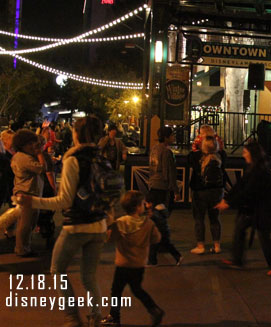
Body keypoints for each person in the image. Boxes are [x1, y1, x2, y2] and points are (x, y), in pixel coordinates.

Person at [15, 116, 109, 327]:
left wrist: (32, 201)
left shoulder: (73, 159)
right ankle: (96, 317)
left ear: (76, 134)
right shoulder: (102, 159)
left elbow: (63, 201)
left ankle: (71, 318)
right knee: (89, 276)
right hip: (99, 225)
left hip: (77, 226)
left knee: (57, 270)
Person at [216, 142, 271, 276]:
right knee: (240, 227)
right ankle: (237, 260)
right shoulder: (252, 168)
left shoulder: (259, 171)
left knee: (264, 236)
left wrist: (229, 204)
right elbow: (240, 185)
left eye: (245, 152)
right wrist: (227, 199)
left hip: (267, 210)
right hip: (257, 208)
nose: (243, 155)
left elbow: (248, 192)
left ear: (252, 154)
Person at [101, 191, 164, 327]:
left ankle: (114, 316)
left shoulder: (120, 223)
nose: (145, 206)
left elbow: (110, 239)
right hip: (139, 264)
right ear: (137, 207)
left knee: (116, 290)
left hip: (123, 263)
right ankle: (154, 309)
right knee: (137, 289)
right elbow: (157, 238)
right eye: (143, 204)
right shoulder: (148, 223)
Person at [147, 127, 182, 266]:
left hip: (153, 185)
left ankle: (158, 246)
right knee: (161, 217)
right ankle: (162, 246)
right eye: (172, 136)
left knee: (155, 217)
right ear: (167, 137)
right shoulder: (167, 152)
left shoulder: (154, 149)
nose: (173, 138)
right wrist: (176, 191)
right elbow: (170, 174)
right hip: (162, 188)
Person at [10, 129, 46, 257]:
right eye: (30, 144)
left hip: (26, 193)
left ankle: (25, 247)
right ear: (23, 145)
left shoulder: (20, 156)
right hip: (26, 193)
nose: (33, 146)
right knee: (25, 224)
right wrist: (39, 153)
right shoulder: (24, 158)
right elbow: (42, 168)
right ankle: (21, 249)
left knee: (28, 223)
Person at [188, 129, 224, 255]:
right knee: (215, 219)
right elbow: (222, 150)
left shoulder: (196, 157)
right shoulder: (220, 157)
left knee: (199, 219)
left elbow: (190, 156)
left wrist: (196, 144)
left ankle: (201, 245)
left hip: (200, 192)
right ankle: (217, 245)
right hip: (217, 191)